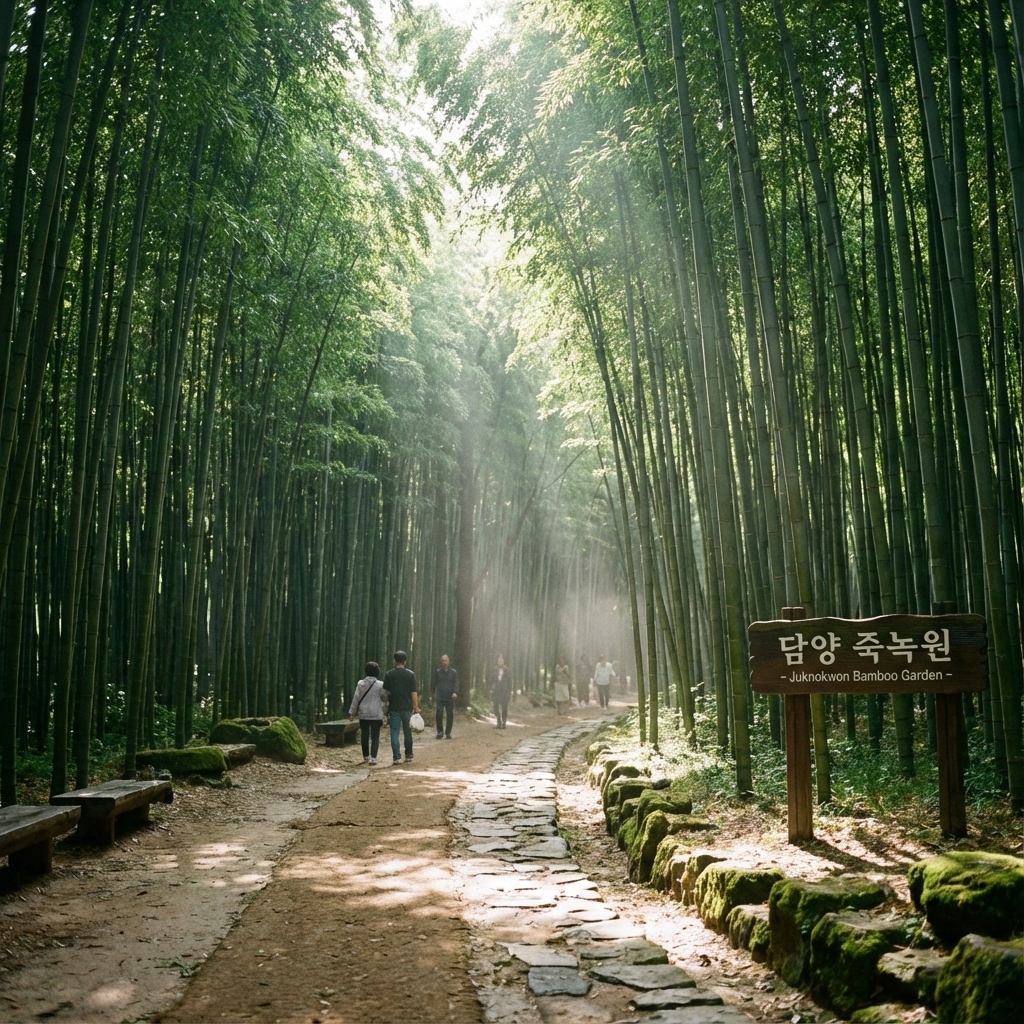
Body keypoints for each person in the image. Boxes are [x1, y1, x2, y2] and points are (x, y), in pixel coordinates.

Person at [382, 650, 420, 765]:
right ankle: (408, 755)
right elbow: (413, 693)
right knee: (407, 731)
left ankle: (397, 757)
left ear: (395, 661)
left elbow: (385, 692)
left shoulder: (389, 674)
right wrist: (416, 707)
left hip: (394, 707)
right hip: (407, 707)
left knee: (394, 732)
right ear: (405, 661)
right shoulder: (410, 674)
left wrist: (385, 703)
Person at [348, 661, 385, 764]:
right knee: (375, 736)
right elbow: (384, 698)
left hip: (363, 713)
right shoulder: (380, 684)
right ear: (377, 672)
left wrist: (351, 712)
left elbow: (356, 698)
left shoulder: (361, 684)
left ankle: (365, 756)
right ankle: (373, 758)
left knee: (364, 735)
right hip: (376, 713)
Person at [432, 654, 458, 739]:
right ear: (441, 662)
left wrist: (455, 692)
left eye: (446, 660)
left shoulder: (453, 672)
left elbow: (456, 684)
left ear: (449, 662)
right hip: (440, 696)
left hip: (450, 697)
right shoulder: (438, 672)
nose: (444, 662)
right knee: (439, 714)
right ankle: (440, 732)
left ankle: (448, 733)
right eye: (443, 661)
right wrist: (432, 694)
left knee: (450, 714)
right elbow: (434, 683)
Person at [489, 654, 513, 729]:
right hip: (496, 691)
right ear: (497, 661)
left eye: (501, 659)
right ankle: (498, 720)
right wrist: (491, 689)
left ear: (503, 661)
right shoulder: (494, 669)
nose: (500, 660)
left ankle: (504, 722)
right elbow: (491, 680)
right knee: (495, 707)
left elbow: (510, 682)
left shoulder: (507, 670)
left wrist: (510, 692)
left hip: (504, 691)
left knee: (504, 707)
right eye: (499, 659)